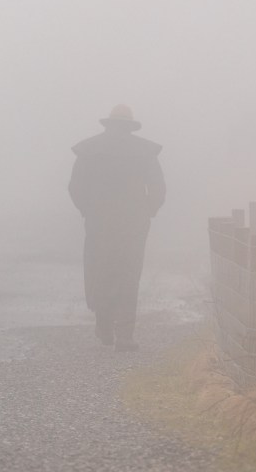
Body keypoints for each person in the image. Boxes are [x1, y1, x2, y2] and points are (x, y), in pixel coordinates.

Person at [69, 105, 166, 352]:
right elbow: (157, 188)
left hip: (99, 221)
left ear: (109, 124)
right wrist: (148, 212)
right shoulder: (144, 152)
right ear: (130, 125)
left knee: (100, 270)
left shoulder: (89, 150)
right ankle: (124, 334)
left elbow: (75, 187)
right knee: (129, 274)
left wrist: (87, 210)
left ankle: (104, 326)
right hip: (133, 223)